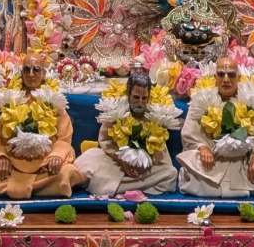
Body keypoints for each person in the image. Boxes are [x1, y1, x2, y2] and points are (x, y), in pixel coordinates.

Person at [0, 54, 86, 199]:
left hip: (45, 165)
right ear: (21, 74)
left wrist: (56, 156)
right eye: (27, 70)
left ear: (44, 74)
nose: (31, 74)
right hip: (13, 164)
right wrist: (1, 157)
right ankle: (41, 188)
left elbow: (64, 138)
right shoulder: (11, 100)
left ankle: (19, 187)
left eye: (36, 70)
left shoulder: (54, 101)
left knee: (66, 173)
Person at [177, 56, 254, 197]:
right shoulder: (201, 99)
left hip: (242, 163)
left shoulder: (251, 101)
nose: (226, 79)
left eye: (231, 75)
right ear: (215, 77)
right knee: (199, 179)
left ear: (238, 78)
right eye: (221, 74)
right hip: (211, 163)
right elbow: (189, 133)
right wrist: (202, 148)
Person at [75, 68, 181, 196]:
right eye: (136, 97)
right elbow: (105, 141)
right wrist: (122, 160)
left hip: (144, 169)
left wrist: (145, 163)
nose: (140, 102)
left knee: (170, 173)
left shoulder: (155, 114)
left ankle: (116, 187)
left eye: (144, 98)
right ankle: (131, 187)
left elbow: (160, 150)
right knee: (90, 156)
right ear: (128, 94)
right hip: (116, 164)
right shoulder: (116, 110)